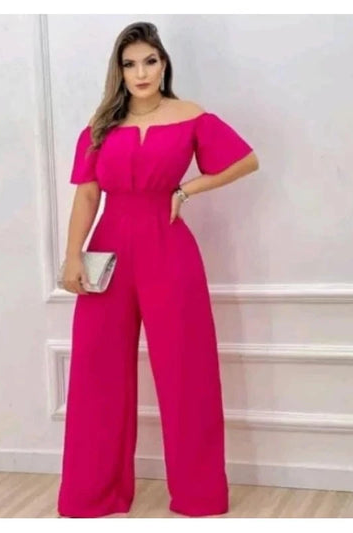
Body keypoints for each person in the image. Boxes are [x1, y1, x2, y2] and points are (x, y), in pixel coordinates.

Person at [57, 21, 259, 519]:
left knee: (187, 370)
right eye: (130, 64)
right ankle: (93, 495)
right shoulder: (102, 124)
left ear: (164, 63)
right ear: (119, 71)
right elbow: (87, 194)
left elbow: (245, 160)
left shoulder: (191, 115)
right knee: (97, 374)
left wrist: (186, 190)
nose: (141, 72)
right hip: (107, 251)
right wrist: (71, 255)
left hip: (169, 248)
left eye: (150, 61)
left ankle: (198, 495)